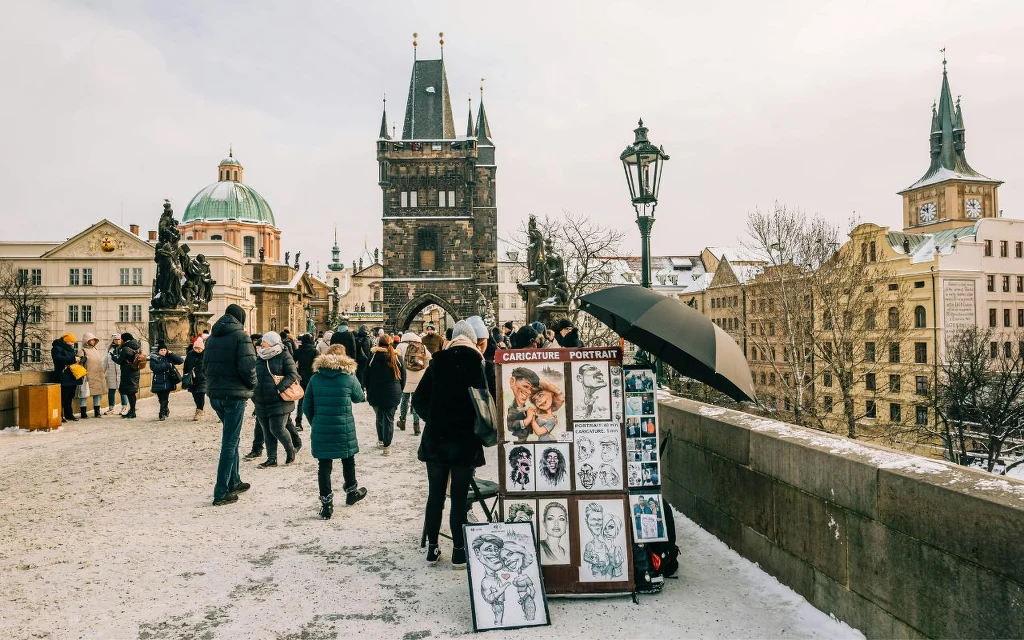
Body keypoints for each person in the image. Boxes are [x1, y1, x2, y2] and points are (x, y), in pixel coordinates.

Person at [412, 320, 486, 568]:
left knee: (435, 495)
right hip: (465, 439)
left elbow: (419, 400)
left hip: (437, 438)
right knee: (458, 497)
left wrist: (433, 419)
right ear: (473, 340)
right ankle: (458, 551)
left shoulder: (438, 362)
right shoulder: (478, 364)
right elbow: (488, 404)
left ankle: (432, 549)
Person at [304, 344, 368, 519]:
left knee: (324, 466)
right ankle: (351, 493)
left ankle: (326, 505)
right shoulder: (348, 377)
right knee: (348, 459)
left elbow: (306, 406)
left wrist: (316, 423)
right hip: (343, 427)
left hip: (321, 427)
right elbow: (359, 397)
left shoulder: (315, 379)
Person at [204, 304, 257, 506]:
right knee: (229, 443)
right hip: (234, 395)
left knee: (231, 439)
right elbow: (248, 367)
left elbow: (205, 366)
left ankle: (234, 481)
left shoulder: (212, 338)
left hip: (216, 394)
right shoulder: (241, 337)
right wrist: (252, 385)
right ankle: (221, 491)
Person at [253, 331, 301, 468]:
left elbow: (293, 374)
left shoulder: (284, 355)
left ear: (272, 342)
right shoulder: (260, 356)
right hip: (261, 399)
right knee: (266, 430)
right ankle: (271, 458)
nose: (262, 344)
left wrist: (280, 387)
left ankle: (290, 450)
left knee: (277, 428)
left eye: (265, 342)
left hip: (279, 399)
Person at [364, 334, 406, 455]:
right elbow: (403, 375)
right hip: (393, 392)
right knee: (389, 418)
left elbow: (366, 375)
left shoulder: (373, 356)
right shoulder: (397, 357)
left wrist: (367, 388)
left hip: (375, 392)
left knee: (379, 416)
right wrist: (400, 389)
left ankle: (381, 440)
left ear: (378, 343)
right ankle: (387, 446)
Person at [396, 331, 431, 435]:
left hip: (405, 377)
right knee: (415, 402)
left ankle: (402, 421)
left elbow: (396, 360)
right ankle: (416, 426)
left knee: (404, 400)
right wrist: (422, 369)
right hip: (419, 377)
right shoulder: (422, 346)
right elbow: (429, 359)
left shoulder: (401, 346)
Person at [243, 333, 265, 460]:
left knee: (283, 424)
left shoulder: (277, 357)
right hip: (259, 396)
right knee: (259, 423)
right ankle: (257, 449)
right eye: (256, 347)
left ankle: (295, 442)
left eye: (260, 347)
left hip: (274, 397)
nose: (258, 350)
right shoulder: (254, 359)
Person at [149, 341, 184, 421]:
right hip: (158, 381)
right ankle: (165, 408)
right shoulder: (154, 358)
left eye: (165, 350)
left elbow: (180, 361)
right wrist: (167, 365)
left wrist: (171, 354)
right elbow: (154, 368)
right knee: (160, 398)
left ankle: (161, 413)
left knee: (164, 397)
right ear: (158, 351)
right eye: (161, 350)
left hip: (168, 381)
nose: (163, 351)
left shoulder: (169, 357)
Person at [51, 333, 82, 422]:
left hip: (71, 375)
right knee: (62, 397)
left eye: (73, 342)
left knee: (69, 396)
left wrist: (79, 358)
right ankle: (60, 416)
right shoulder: (57, 348)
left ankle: (69, 414)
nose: (73, 343)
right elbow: (58, 359)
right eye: (71, 341)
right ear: (66, 341)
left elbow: (71, 358)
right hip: (63, 375)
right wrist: (73, 359)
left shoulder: (69, 348)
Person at [112, 333, 143, 419]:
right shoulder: (136, 346)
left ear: (124, 339)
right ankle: (132, 410)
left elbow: (119, 361)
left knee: (130, 393)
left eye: (121, 339)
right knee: (132, 392)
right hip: (135, 372)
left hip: (128, 373)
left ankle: (132, 411)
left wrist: (113, 357)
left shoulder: (126, 348)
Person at [506, 367, 541, 441]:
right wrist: (528, 419)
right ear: (512, 381)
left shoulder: (526, 407)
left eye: (532, 390)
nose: (529, 392)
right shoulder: (512, 408)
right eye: (525, 386)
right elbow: (510, 426)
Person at [78, 333, 108, 419]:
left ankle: (97, 412)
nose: (93, 341)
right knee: (84, 394)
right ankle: (83, 412)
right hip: (87, 376)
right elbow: (79, 364)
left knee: (97, 394)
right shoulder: (82, 351)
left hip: (97, 375)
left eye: (94, 340)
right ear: (86, 341)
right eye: (91, 340)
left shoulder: (95, 349)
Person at [293, 334, 318, 431]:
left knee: (301, 400)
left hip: (302, 378)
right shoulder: (315, 351)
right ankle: (314, 422)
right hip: (312, 378)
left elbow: (292, 362)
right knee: (314, 400)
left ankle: (298, 422)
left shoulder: (298, 351)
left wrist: (296, 372)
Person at [183, 336, 208, 421]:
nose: (197, 350)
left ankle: (199, 410)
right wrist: (185, 374)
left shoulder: (205, 355)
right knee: (195, 394)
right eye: (196, 348)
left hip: (202, 378)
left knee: (201, 393)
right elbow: (186, 365)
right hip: (192, 378)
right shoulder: (190, 354)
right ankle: (199, 409)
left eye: (199, 348)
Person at [102, 334, 128, 415]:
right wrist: (103, 371)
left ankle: (124, 407)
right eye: (115, 339)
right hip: (111, 373)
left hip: (122, 373)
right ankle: (111, 408)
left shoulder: (123, 348)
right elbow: (105, 361)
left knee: (122, 391)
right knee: (111, 391)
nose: (117, 341)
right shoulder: (109, 349)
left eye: (119, 339)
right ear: (113, 340)